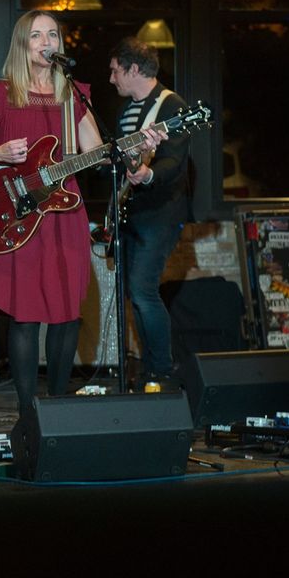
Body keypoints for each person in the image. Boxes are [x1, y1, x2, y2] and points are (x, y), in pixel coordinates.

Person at [0, 10, 163, 418]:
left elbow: (97, 154)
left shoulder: (74, 95)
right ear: (22, 46)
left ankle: (59, 411)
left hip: (64, 215)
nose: (46, 42)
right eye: (36, 36)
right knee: (25, 317)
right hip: (18, 214)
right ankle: (29, 414)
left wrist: (135, 147)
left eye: (52, 34)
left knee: (66, 314)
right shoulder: (0, 93)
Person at [108, 37, 188, 387]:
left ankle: (162, 370)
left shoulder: (172, 106)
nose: (112, 79)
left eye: (115, 71)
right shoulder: (126, 112)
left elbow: (175, 160)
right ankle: (148, 369)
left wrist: (149, 173)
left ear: (133, 69)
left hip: (160, 212)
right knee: (134, 294)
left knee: (143, 290)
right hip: (131, 210)